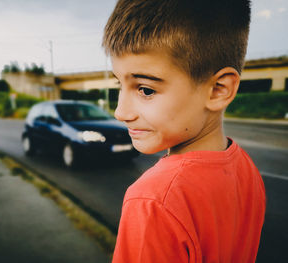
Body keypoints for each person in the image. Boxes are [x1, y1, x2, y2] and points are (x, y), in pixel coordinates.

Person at [102, 0, 266, 262]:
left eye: (145, 89)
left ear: (218, 90)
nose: (120, 112)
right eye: (120, 84)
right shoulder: (246, 168)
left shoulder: (152, 200)